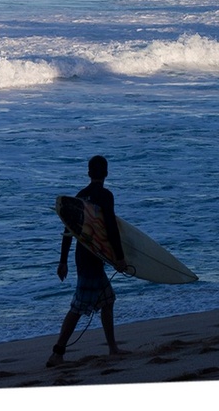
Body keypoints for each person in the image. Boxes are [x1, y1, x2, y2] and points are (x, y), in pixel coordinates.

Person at [47, 155, 128, 367]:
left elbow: (68, 229)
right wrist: (119, 258)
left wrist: (63, 261)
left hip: (82, 256)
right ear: (107, 173)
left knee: (107, 300)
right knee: (78, 307)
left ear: (88, 173)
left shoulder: (80, 196)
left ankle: (112, 348)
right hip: (94, 258)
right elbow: (110, 227)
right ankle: (57, 353)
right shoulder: (105, 196)